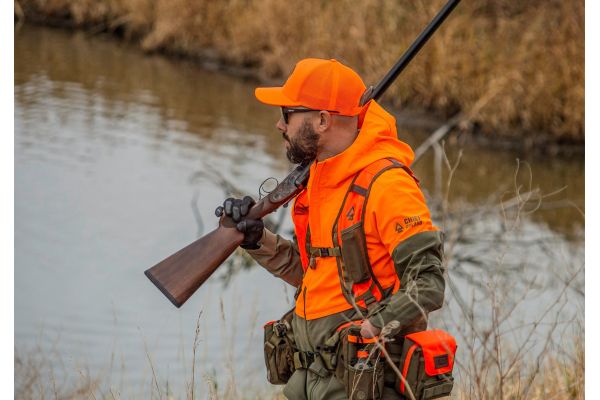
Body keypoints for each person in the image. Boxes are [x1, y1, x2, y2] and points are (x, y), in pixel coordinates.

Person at [219, 58, 446, 400]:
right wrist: (256, 240)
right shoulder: (321, 183)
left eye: (287, 113)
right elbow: (318, 274)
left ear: (323, 120)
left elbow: (429, 283)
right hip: (310, 381)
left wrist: (373, 328)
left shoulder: (387, 186)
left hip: (363, 383)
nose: (279, 125)